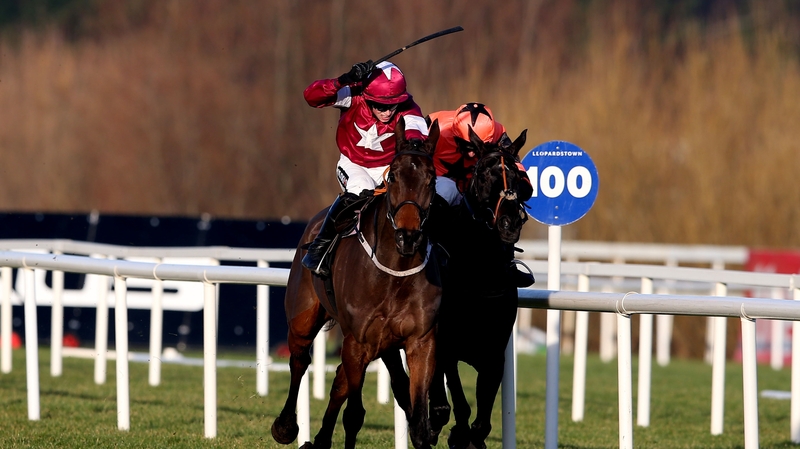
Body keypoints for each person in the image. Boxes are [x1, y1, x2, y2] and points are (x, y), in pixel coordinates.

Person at [301, 60, 429, 277]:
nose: (387, 112)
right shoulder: (353, 94)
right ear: (368, 98)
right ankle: (320, 247)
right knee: (361, 188)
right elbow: (311, 97)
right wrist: (342, 80)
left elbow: (417, 131)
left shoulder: (409, 108)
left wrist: (415, 141)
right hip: (354, 164)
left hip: (388, 169)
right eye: (380, 106)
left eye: (392, 105)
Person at [427, 102, 535, 287]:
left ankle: (507, 262)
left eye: (475, 147)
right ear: (454, 133)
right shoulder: (434, 123)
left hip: (476, 187)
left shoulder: (498, 132)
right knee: (444, 190)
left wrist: (523, 182)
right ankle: (427, 254)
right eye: (465, 145)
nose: (471, 152)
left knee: (503, 198)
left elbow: (513, 163)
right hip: (440, 182)